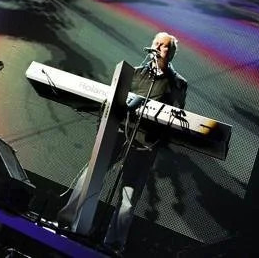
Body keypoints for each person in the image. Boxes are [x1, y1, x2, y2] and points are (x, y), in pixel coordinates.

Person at [56, 31, 188, 255]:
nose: (157, 47)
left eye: (163, 45)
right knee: (91, 175)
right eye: (155, 43)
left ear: (172, 53)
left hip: (144, 143)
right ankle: (67, 221)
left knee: (129, 195)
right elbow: (112, 102)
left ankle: (114, 243)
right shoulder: (134, 73)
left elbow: (175, 118)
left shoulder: (178, 83)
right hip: (117, 134)